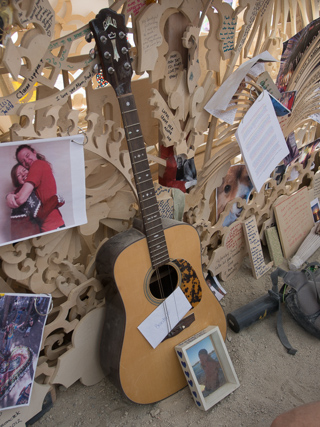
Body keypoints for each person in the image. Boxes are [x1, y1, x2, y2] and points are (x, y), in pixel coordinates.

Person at [6, 145, 65, 233]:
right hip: (52, 224)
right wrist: (8, 195)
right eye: (23, 161)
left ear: (34, 152)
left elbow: (21, 199)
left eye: (27, 155)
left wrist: (9, 198)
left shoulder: (37, 165)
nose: (26, 160)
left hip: (51, 226)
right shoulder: (41, 167)